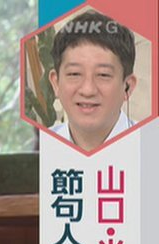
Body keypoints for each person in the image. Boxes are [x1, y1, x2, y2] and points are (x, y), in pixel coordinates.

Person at [47, 9, 138, 152]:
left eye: (103, 75)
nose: (88, 90)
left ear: (128, 86)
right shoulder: (41, 148)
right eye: (74, 74)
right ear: (56, 83)